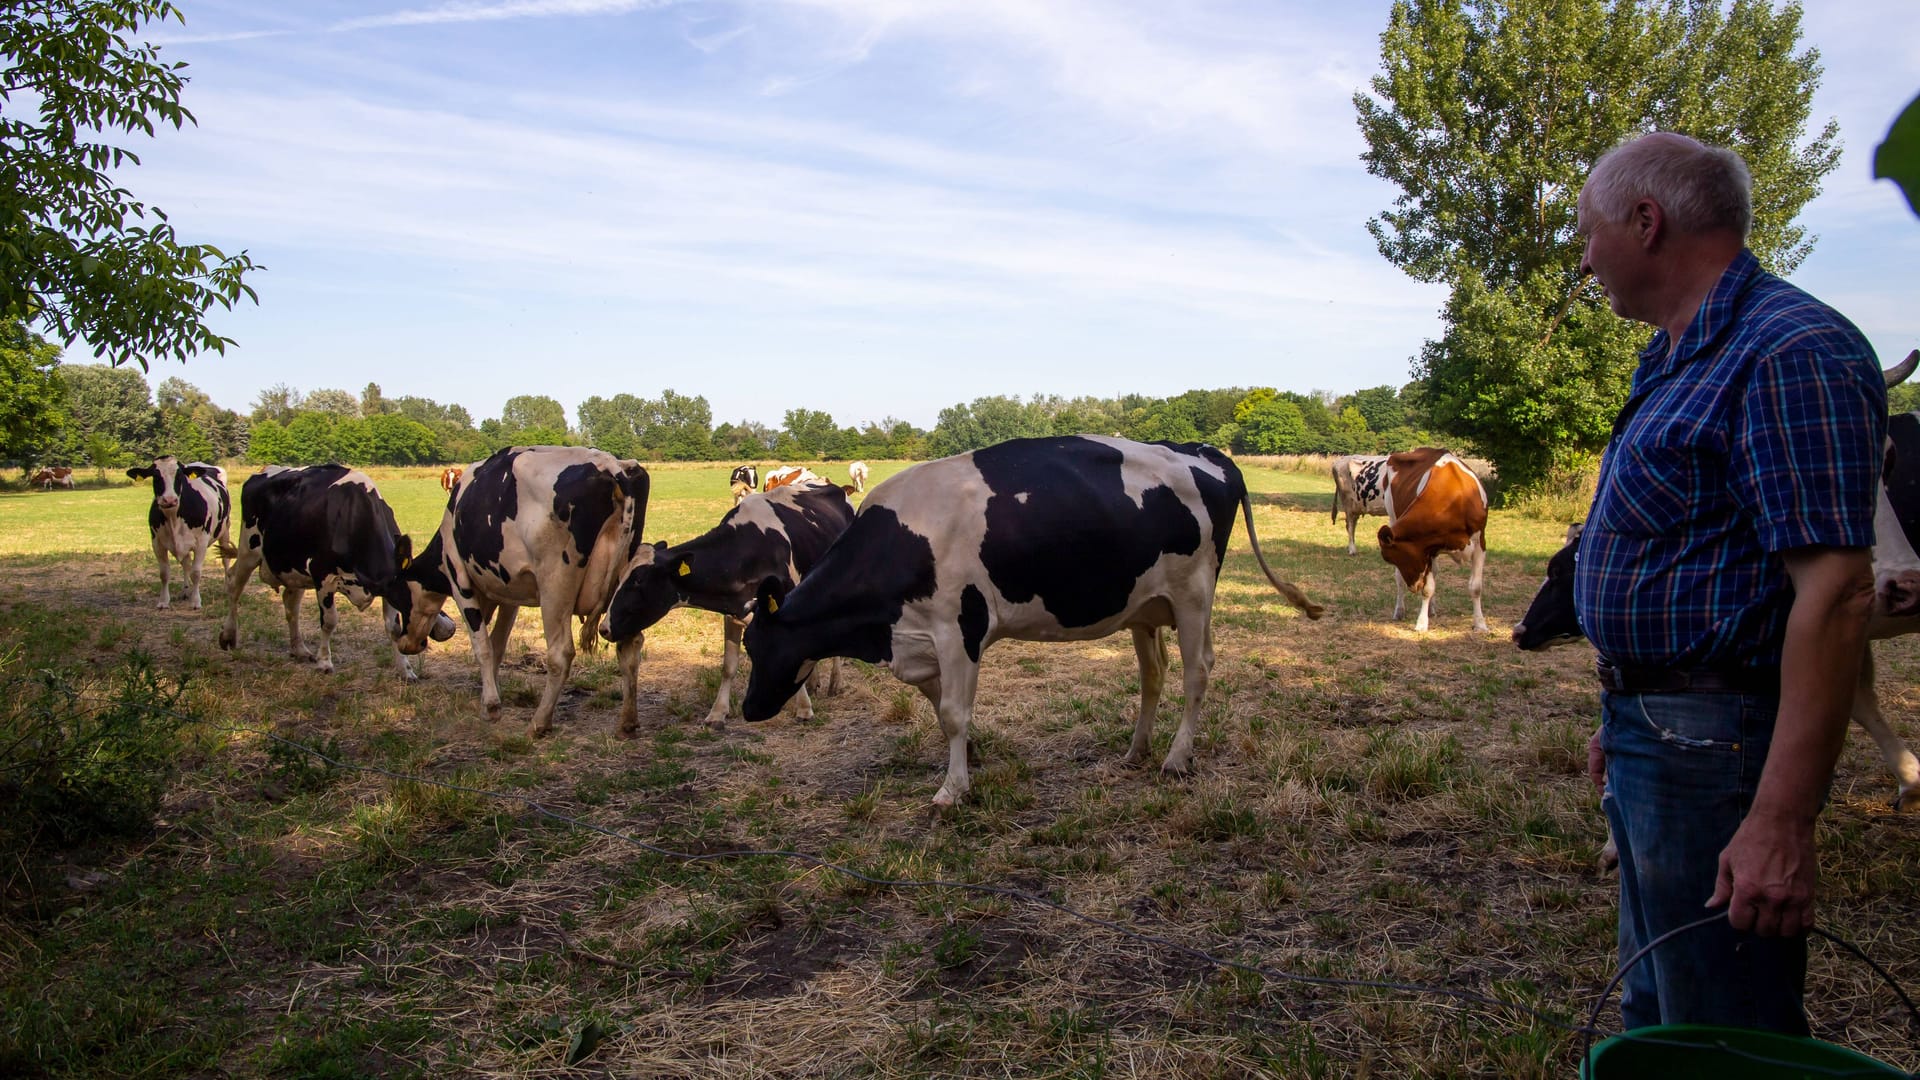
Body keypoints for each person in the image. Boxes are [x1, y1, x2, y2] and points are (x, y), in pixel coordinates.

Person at [1573, 132, 1883, 1033]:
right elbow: (1690, 554)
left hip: (1721, 742)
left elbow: (1837, 593)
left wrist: (1781, 819)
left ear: (1647, 220)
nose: (1586, 258)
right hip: (1661, 732)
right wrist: (1623, 711)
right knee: (1660, 1001)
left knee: (1718, 1025)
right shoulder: (1678, 353)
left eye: (1590, 233)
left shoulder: (1788, 351)